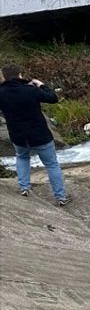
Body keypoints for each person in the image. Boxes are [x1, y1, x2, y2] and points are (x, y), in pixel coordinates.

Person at [0, 64, 67, 206]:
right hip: (40, 134)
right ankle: (60, 197)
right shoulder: (30, 90)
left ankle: (24, 187)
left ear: (4, 77)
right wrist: (41, 85)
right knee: (51, 164)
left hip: (18, 135)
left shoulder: (1, 92)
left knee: (22, 157)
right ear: (20, 75)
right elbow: (53, 98)